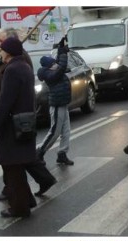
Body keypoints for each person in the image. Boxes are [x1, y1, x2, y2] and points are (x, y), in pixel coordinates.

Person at [0, 28, 56, 202]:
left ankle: (19, 194)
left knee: (14, 159)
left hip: (14, 118)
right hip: (10, 116)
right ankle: (18, 192)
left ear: (10, 43)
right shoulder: (11, 59)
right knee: (18, 158)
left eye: (1, 42)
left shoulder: (19, 60)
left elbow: (14, 88)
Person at [0, 37, 37, 219]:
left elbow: (5, 102)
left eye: (1, 50)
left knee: (12, 168)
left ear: (8, 52)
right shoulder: (24, 66)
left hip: (12, 125)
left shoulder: (12, 70)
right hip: (24, 122)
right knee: (16, 166)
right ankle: (27, 200)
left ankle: (19, 208)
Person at [35, 36, 74, 167]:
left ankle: (62, 154)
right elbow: (61, 67)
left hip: (63, 103)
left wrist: (61, 46)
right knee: (54, 132)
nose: (55, 65)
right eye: (52, 64)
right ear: (48, 67)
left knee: (66, 131)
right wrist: (63, 53)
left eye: (54, 63)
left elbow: (59, 63)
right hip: (57, 106)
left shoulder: (52, 69)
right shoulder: (48, 75)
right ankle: (39, 152)